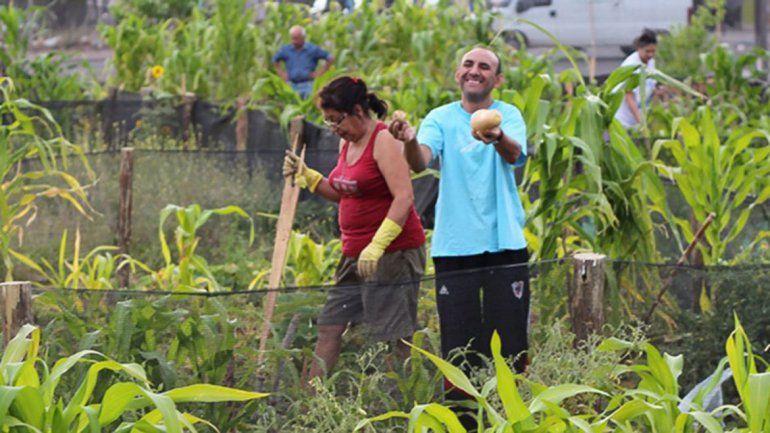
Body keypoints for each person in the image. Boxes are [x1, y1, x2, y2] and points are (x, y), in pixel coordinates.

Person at [389, 47, 530, 423]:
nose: (474, 71)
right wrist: (408, 139)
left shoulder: (508, 115)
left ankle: (510, 420)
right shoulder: (440, 118)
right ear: (458, 73)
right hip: (455, 247)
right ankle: (464, 424)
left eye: (485, 66)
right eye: (468, 64)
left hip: (505, 244)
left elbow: (514, 155)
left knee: (511, 341)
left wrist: (496, 136)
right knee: (459, 345)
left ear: (497, 79)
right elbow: (420, 161)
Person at [283, 76, 426, 380]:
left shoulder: (384, 140)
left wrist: (378, 244)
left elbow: (404, 197)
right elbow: (345, 192)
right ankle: (312, 399)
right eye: (329, 121)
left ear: (358, 111)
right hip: (353, 253)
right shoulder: (347, 141)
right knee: (330, 325)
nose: (334, 128)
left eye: (337, 120)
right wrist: (309, 177)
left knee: (392, 336)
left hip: (392, 254)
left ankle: (407, 396)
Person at [272, 26, 335, 99]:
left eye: (296, 38)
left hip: (308, 85)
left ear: (303, 38)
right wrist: (281, 74)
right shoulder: (286, 49)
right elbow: (275, 60)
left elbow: (330, 58)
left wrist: (319, 73)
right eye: (292, 38)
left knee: (308, 103)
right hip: (291, 85)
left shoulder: (313, 49)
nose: (294, 41)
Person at [614, 29, 658, 128]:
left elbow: (652, 88)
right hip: (624, 121)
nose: (650, 55)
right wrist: (642, 123)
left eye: (653, 51)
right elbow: (629, 97)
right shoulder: (631, 66)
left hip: (638, 120)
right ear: (639, 48)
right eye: (647, 51)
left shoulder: (651, 62)